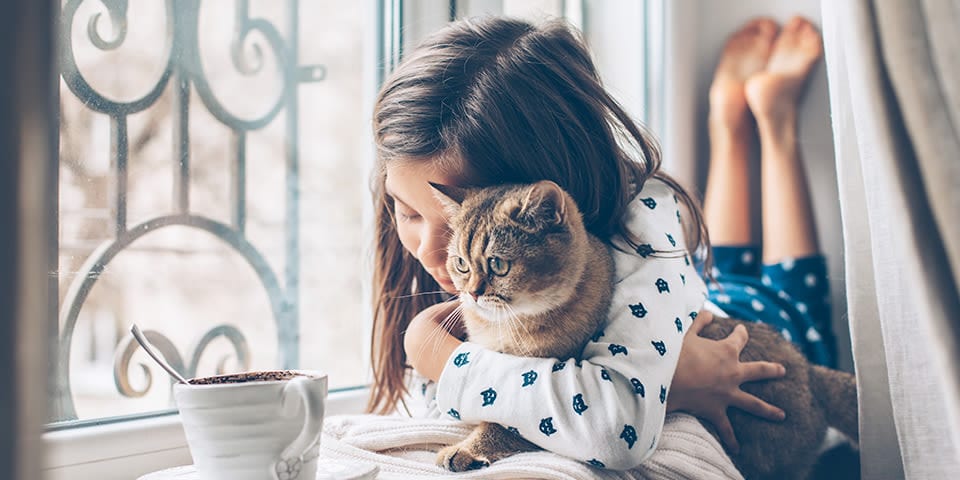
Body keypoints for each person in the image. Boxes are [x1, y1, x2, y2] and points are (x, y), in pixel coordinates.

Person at [366, 16, 789, 470]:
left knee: (779, 285)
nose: (434, 253)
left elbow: (615, 430)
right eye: (408, 212)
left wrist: (442, 357)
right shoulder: (465, 255)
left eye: (457, 227)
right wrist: (670, 384)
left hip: (754, 333)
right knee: (729, 261)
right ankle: (734, 124)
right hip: (697, 282)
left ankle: (762, 125)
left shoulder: (644, 226)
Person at [703, 16, 835, 367]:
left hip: (765, 343)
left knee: (801, 319)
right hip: (704, 308)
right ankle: (730, 126)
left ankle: (774, 127)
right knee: (720, 286)